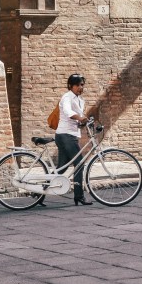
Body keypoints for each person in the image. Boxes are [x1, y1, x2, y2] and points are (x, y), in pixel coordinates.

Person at [55, 73, 95, 206]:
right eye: (77, 85)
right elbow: (68, 112)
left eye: (82, 85)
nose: (80, 87)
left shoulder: (79, 99)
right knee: (79, 164)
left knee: (61, 168)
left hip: (69, 135)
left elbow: (78, 119)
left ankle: (41, 191)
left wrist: (84, 122)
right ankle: (79, 196)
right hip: (65, 135)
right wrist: (80, 118)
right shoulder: (67, 97)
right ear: (70, 86)